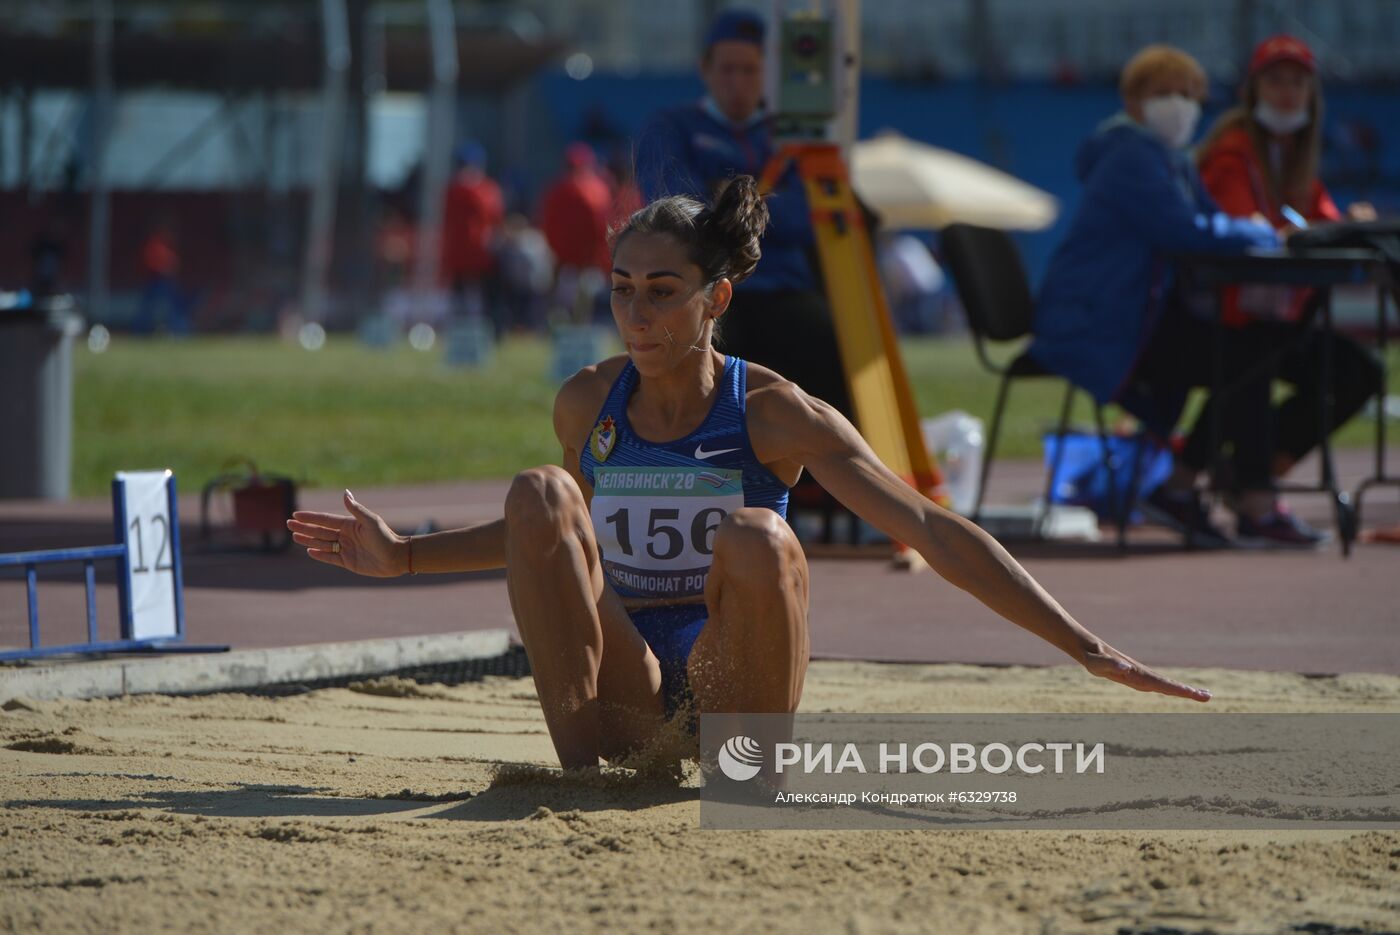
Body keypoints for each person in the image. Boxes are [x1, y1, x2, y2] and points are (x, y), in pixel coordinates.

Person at [288, 177, 1210, 772]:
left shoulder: (774, 411)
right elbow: (555, 542)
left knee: (758, 535)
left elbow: (929, 530)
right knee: (540, 488)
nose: (635, 314)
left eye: (662, 291)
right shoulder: (586, 402)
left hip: (737, 681)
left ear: (715, 298)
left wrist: (1081, 643)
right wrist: (405, 557)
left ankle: (747, 775)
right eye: (620, 287)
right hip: (627, 682)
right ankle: (584, 783)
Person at [1028, 45, 1318, 549]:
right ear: (1133, 100)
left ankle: (1196, 489)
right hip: (1097, 325)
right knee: (1245, 354)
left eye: (1189, 94)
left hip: (1132, 317)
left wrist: (1249, 231)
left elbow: (1211, 223)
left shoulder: (1171, 159)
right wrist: (1263, 234)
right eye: (1163, 93)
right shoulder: (1131, 153)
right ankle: (1242, 500)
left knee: (1250, 349)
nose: (1179, 104)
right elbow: (1188, 230)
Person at [1193, 34, 1382, 527]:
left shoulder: (1297, 155)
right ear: (1254, 89)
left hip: (1279, 317)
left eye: (1298, 82)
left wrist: (1349, 223)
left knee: (1360, 372)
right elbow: (1244, 227)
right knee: (1252, 357)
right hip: (1228, 313)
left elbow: (1325, 222)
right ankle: (1241, 489)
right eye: (1275, 80)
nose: (1287, 92)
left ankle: (1248, 473)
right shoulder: (1232, 151)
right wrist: (1304, 231)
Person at [633, 9, 851, 418]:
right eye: (728, 69)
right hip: (709, 291)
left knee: (836, 351)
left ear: (768, 72)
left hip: (784, 290)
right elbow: (682, 216)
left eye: (750, 70)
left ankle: (819, 482)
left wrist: (725, 198)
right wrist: (763, 205)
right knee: (702, 372)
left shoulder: (792, 136)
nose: (738, 82)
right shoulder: (669, 126)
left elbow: (806, 220)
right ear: (705, 69)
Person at [539, 143, 613, 324]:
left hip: (563, 256)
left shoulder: (558, 188)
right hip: (588, 257)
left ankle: (561, 328)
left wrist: (554, 249)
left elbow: (547, 223)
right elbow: (602, 226)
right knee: (582, 301)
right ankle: (576, 329)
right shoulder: (598, 188)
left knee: (561, 299)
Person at [440, 142, 505, 331]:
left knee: (460, 299)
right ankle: (490, 332)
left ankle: (459, 333)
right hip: (481, 254)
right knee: (488, 298)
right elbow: (496, 219)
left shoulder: (452, 190)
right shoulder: (486, 190)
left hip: (458, 254)